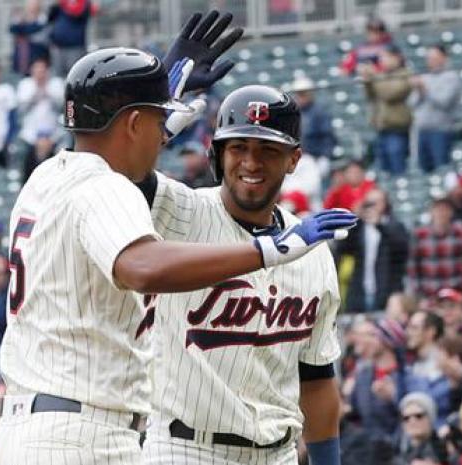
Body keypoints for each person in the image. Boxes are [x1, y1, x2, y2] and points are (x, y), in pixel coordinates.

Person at [0, 14, 353, 465]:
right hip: (89, 434)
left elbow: (123, 159)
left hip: (41, 425)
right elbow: (141, 265)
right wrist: (269, 250)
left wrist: (153, 96)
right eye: (158, 121)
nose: (164, 135)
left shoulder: (48, 177)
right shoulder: (111, 190)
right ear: (133, 124)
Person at [137, 84, 349, 465]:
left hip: (279, 453)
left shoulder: (312, 249)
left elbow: (316, 379)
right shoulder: (180, 210)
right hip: (185, 448)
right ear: (217, 153)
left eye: (268, 150)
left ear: (293, 159)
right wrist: (151, 128)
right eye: (238, 148)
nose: (251, 162)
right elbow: (107, 182)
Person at [338, 188, 409, 313]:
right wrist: (354, 220)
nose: (372, 206)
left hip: (386, 291)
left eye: (376, 202)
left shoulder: (395, 225)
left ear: (385, 204)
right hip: (360, 290)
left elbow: (400, 248)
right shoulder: (360, 228)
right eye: (368, 203)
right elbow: (343, 248)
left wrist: (379, 225)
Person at [406, 196, 462, 298]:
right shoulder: (419, 235)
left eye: (445, 209)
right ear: (431, 212)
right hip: (430, 293)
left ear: (451, 212)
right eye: (438, 209)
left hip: (457, 291)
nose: (441, 213)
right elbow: (413, 266)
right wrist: (419, 291)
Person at [410, 44, 461, 173]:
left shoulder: (451, 77)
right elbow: (412, 102)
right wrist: (418, 89)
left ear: (444, 58)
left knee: (442, 168)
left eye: (434, 58)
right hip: (422, 131)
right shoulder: (424, 77)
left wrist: (424, 90)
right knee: (423, 170)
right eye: (429, 58)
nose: (431, 61)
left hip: (441, 131)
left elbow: (444, 102)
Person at [363, 45, 412, 176]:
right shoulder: (382, 76)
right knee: (384, 171)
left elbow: (389, 94)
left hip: (397, 129)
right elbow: (371, 96)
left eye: (384, 57)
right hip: (381, 128)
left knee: (397, 168)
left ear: (396, 57)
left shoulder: (405, 74)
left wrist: (374, 76)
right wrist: (367, 81)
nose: (381, 61)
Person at [16, 57, 64, 165]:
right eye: (37, 70)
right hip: (30, 134)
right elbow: (22, 108)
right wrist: (36, 91)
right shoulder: (25, 84)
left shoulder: (56, 83)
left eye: (42, 70)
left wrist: (46, 90)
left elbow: (61, 106)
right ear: (32, 70)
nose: (40, 73)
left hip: (53, 134)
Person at [404, 310, 451, 419]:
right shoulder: (410, 364)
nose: (408, 332)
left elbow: (437, 401)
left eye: (414, 328)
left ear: (430, 332)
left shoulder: (444, 364)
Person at [291, 76, 336, 162]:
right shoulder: (293, 113)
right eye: (298, 94)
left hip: (314, 158)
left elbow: (327, 137)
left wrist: (325, 157)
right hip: (296, 158)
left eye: (303, 93)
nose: (300, 97)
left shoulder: (319, 113)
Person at [47, 0, 96, 76]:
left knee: (74, 74)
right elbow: (50, 17)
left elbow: (78, 13)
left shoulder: (84, 3)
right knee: (57, 77)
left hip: (75, 48)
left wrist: (64, 4)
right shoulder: (60, 4)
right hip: (57, 47)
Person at [8, 0, 49, 75]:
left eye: (34, 5)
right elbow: (13, 29)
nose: (32, 7)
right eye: (30, 5)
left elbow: (34, 29)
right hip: (20, 60)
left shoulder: (43, 19)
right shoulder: (21, 17)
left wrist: (22, 28)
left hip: (37, 60)